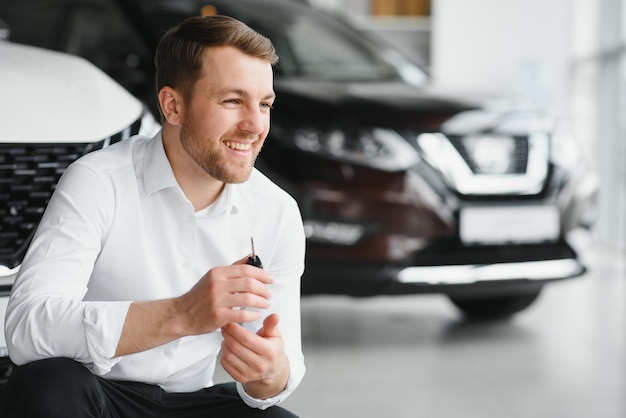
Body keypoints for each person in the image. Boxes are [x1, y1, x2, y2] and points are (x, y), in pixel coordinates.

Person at [3, 14, 305, 418]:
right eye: (232, 101)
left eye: (264, 104)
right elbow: (26, 328)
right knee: (48, 385)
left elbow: (280, 371)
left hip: (195, 402)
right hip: (96, 396)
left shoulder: (277, 211)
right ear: (172, 105)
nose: (254, 125)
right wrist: (180, 314)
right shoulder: (98, 180)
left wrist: (268, 372)